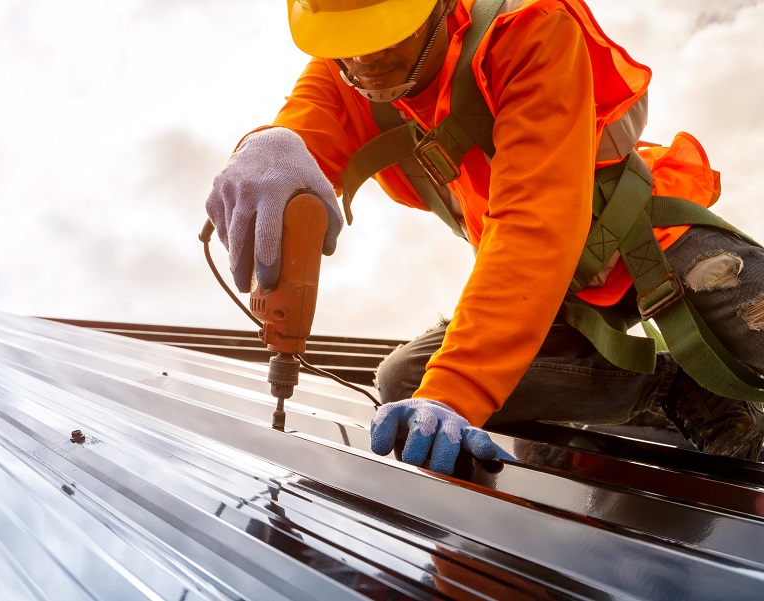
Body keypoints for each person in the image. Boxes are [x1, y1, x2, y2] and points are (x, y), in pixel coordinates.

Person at [206, 0, 764, 475]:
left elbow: (533, 223)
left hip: (644, 244)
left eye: (384, 36)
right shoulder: (347, 71)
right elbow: (305, 127)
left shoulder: (527, 29)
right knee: (404, 380)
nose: (364, 60)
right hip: (549, 299)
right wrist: (269, 146)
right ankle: (672, 388)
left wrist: (456, 393)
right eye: (347, 43)